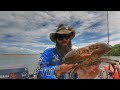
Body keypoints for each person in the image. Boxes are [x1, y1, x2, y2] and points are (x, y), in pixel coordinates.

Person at [35, 23, 100, 79]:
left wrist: (84, 76)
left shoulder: (77, 54)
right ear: (56, 39)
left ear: (69, 39)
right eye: (60, 37)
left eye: (67, 36)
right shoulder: (48, 53)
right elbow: (39, 73)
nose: (64, 39)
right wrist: (59, 69)